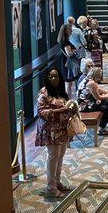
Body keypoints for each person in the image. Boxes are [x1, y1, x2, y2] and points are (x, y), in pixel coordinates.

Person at [35, 68, 75, 199]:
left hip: (62, 129)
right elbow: (41, 112)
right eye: (50, 77)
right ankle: (51, 187)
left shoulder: (60, 90)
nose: (53, 79)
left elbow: (65, 106)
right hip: (50, 130)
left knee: (61, 155)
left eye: (56, 76)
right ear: (46, 78)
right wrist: (59, 111)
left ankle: (57, 182)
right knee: (53, 157)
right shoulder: (44, 93)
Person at [57, 24, 80, 99]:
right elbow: (69, 54)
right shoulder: (66, 42)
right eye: (70, 29)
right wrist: (76, 50)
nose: (71, 31)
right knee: (68, 84)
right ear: (66, 31)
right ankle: (68, 100)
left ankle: (68, 100)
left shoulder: (63, 41)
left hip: (65, 63)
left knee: (68, 84)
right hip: (68, 64)